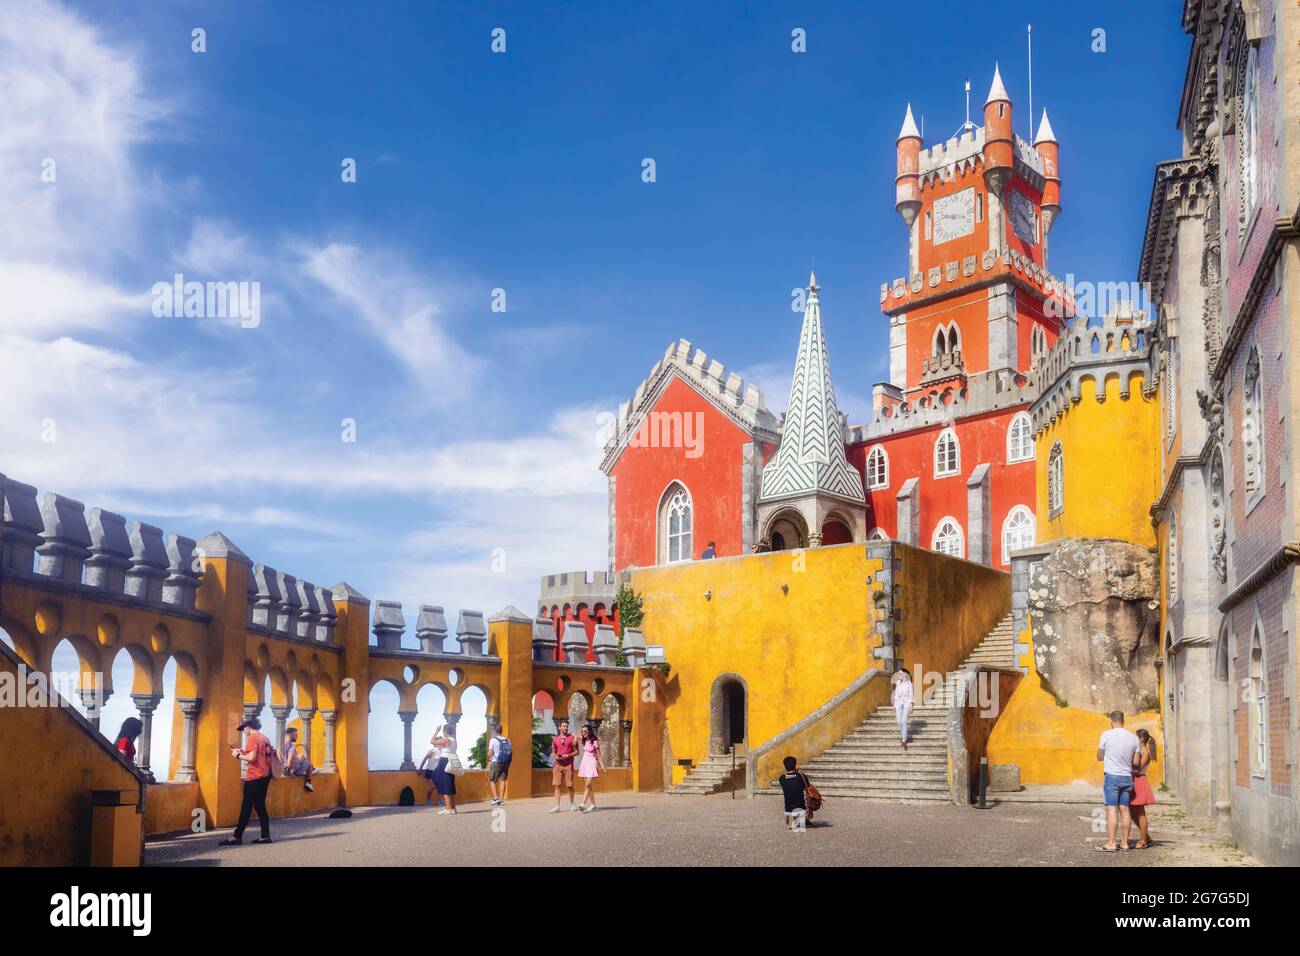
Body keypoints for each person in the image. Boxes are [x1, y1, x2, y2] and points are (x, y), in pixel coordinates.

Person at [222, 717, 274, 845]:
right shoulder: (264, 738)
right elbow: (261, 756)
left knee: (246, 807)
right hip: (265, 776)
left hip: (254, 776)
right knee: (260, 806)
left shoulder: (252, 738)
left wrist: (237, 755)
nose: (244, 730)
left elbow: (252, 757)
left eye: (244, 728)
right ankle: (265, 836)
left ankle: (237, 836)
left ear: (248, 726)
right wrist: (243, 752)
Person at [1096, 710, 1139, 852]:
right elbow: (1136, 762)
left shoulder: (1106, 734)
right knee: (1125, 809)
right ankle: (1125, 843)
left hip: (1112, 777)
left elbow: (1099, 756)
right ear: (1123, 721)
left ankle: (1112, 843)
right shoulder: (1133, 738)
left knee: (1112, 810)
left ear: (1112, 722)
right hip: (1127, 777)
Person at [1130, 728, 1158, 849]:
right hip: (1134, 780)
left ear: (1141, 738)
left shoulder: (1145, 752)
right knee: (1131, 813)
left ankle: (1143, 841)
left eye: (1135, 737)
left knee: (1140, 813)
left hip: (1139, 781)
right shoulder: (1138, 751)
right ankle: (1146, 837)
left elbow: (1138, 768)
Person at [549, 718, 579, 813]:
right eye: (564, 726)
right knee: (557, 786)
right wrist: (556, 756)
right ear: (559, 727)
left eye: (567, 726)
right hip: (558, 765)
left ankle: (572, 804)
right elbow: (553, 751)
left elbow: (577, 752)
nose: (566, 728)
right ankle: (557, 806)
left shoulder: (572, 738)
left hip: (568, 765)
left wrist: (568, 755)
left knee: (570, 785)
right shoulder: (555, 739)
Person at [428, 724, 458, 814]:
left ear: (445, 732)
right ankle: (453, 808)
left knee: (445, 784)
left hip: (445, 761)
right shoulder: (454, 740)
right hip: (451, 761)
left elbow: (432, 741)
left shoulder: (447, 739)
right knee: (450, 784)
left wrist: (436, 731)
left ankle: (448, 809)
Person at [777, 756, 813, 830]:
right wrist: (798, 771)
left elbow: (788, 779)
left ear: (785, 766)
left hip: (788, 811)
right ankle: (804, 819)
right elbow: (807, 786)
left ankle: (792, 820)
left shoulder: (782, 778)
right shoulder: (801, 776)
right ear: (795, 765)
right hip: (801, 810)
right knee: (806, 799)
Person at [576, 723, 604, 813]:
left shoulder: (594, 741)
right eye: (582, 731)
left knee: (587, 785)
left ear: (589, 731)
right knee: (589, 786)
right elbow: (576, 736)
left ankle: (583, 803)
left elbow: (599, 755)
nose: (583, 733)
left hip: (592, 763)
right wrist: (575, 737)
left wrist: (603, 766)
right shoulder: (584, 740)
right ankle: (593, 805)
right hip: (585, 763)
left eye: (585, 731)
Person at [280, 726, 314, 793]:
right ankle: (308, 783)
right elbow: (289, 759)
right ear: (291, 734)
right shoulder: (291, 746)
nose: (297, 737)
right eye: (296, 734)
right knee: (309, 764)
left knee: (302, 757)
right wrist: (290, 772)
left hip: (282, 769)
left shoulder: (282, 744)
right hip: (293, 770)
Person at [487, 725, 512, 805]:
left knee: (492, 780)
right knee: (502, 780)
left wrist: (490, 758)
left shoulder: (493, 740)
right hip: (505, 763)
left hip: (496, 762)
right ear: (501, 731)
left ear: (495, 731)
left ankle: (495, 798)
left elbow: (489, 753)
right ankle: (501, 800)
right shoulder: (507, 740)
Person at [892, 669, 914, 749]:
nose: (899, 675)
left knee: (904, 721)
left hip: (907, 703)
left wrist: (911, 705)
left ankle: (904, 740)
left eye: (900, 674)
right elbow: (896, 695)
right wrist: (895, 705)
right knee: (899, 722)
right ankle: (904, 736)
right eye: (898, 674)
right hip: (898, 703)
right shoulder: (898, 683)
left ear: (905, 675)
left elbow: (911, 695)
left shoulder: (909, 684)